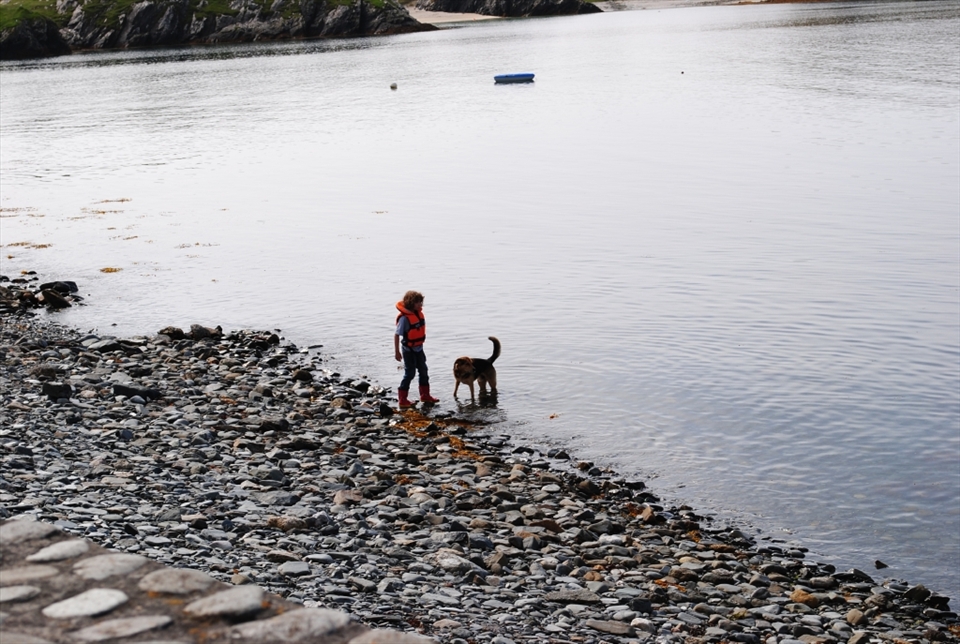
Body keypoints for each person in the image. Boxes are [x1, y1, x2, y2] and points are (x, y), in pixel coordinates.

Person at [394, 290, 440, 408]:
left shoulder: (418, 315)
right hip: (408, 350)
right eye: (418, 302)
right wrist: (397, 352)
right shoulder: (404, 319)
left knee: (424, 370)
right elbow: (397, 334)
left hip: (419, 348)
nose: (421, 305)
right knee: (410, 373)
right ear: (411, 303)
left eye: (421, 302)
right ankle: (402, 399)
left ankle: (425, 395)